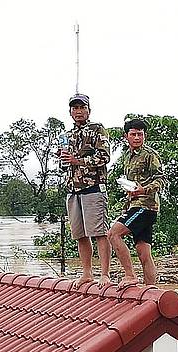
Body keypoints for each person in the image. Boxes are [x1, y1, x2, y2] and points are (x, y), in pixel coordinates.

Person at [60, 93, 112, 287]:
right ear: (70, 112)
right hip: (73, 189)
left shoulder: (98, 129)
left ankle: (105, 274)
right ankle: (87, 272)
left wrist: (78, 161)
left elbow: (104, 157)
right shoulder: (67, 135)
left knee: (99, 232)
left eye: (82, 107)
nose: (78, 111)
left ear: (89, 110)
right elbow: (63, 165)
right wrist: (64, 159)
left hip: (93, 187)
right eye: (75, 108)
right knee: (80, 234)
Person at [107, 118, 165, 289]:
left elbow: (161, 179)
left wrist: (143, 190)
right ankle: (150, 289)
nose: (137, 137)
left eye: (140, 134)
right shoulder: (127, 156)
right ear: (126, 136)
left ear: (144, 135)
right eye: (134, 134)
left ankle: (130, 275)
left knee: (113, 234)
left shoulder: (150, 154)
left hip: (145, 206)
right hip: (134, 204)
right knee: (143, 252)